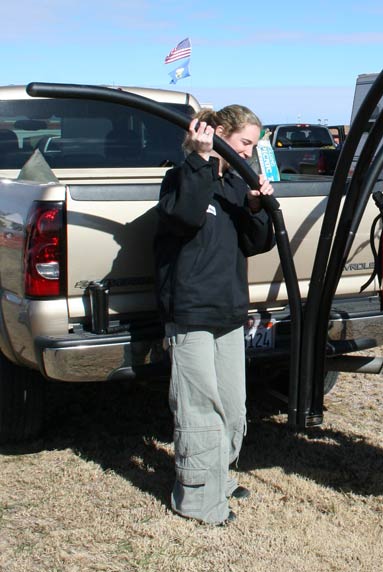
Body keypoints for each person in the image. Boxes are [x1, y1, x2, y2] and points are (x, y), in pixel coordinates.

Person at [154, 105, 276, 525]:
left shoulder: (231, 186)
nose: (249, 152)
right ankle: (199, 499)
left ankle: (218, 477)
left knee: (231, 403)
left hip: (227, 310)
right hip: (191, 312)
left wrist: (258, 206)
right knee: (198, 407)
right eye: (244, 143)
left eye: (253, 146)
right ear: (220, 134)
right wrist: (200, 158)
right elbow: (184, 216)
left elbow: (256, 242)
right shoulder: (183, 177)